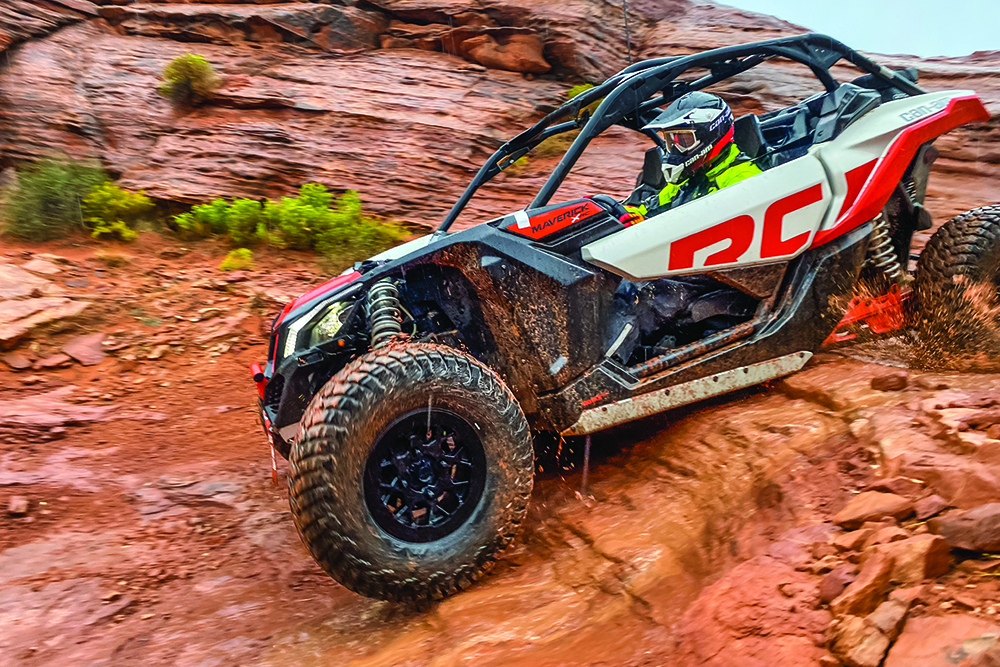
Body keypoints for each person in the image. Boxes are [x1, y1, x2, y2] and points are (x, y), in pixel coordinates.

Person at [623, 92, 761, 223]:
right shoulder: (688, 179)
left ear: (709, 136)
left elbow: (706, 226)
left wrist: (646, 224)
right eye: (671, 141)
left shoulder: (743, 178)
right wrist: (623, 214)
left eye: (684, 140)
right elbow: (648, 208)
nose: (676, 149)